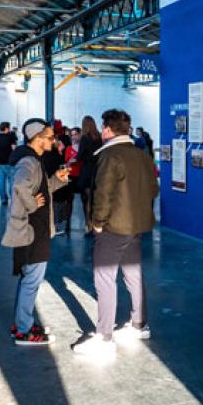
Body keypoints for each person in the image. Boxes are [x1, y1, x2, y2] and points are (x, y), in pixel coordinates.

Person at [73, 109, 159, 356]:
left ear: (108, 130)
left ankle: (104, 336)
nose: (101, 132)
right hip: (136, 225)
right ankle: (139, 325)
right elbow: (153, 189)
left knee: (104, 278)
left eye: (103, 128)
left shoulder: (109, 155)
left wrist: (98, 222)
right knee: (133, 274)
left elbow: (103, 193)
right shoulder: (142, 155)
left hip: (113, 227)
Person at [2, 119, 69, 345]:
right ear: (37, 138)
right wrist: (32, 204)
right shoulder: (29, 161)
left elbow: (39, 188)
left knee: (28, 278)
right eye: (51, 137)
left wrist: (56, 182)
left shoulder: (33, 160)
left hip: (33, 229)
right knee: (32, 280)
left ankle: (23, 322)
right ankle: (24, 330)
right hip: (32, 230)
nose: (54, 141)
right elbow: (20, 186)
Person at [76, 116, 102, 233]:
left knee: (86, 200)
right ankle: (97, 224)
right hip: (98, 171)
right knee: (96, 200)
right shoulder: (100, 137)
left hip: (87, 171)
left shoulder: (84, 138)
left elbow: (80, 157)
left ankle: (88, 224)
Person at [0, 122, 18, 205]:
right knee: (11, 181)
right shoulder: (11, 137)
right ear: (7, 128)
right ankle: (13, 199)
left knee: (0, 182)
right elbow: (14, 149)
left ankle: (3, 200)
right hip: (9, 163)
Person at [64, 127, 84, 232]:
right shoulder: (68, 148)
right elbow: (66, 163)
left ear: (80, 135)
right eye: (72, 135)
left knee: (85, 199)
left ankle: (87, 224)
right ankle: (67, 223)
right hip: (71, 175)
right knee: (69, 199)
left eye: (75, 134)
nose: (74, 137)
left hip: (81, 176)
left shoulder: (83, 148)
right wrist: (70, 162)